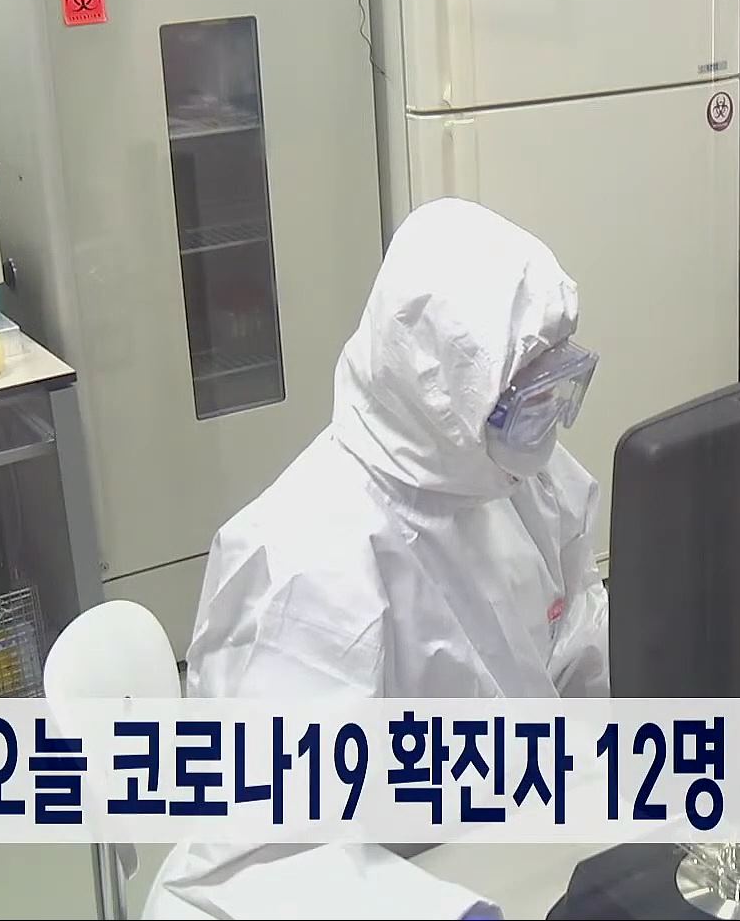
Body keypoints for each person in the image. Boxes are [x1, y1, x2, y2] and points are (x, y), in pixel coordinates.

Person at [144, 197, 608, 918]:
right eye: (527, 393)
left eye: (559, 383)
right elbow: (260, 859)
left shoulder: (515, 480)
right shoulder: (304, 562)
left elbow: (580, 649)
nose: (548, 416)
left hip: (516, 846)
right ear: (444, 390)